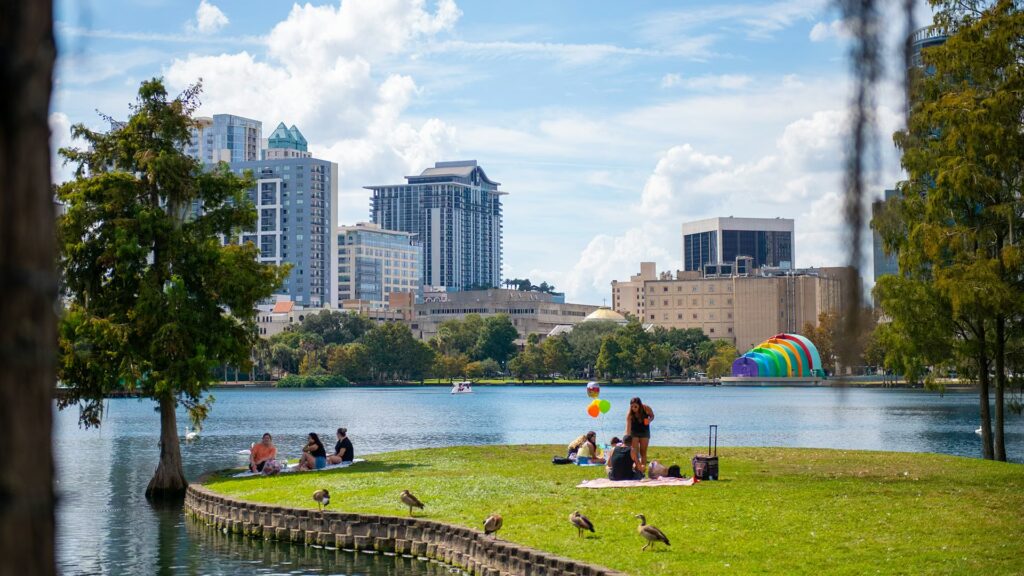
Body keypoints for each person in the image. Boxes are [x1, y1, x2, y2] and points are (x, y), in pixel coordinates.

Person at [625, 397, 655, 472]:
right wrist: (626, 439)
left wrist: (649, 420)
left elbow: (652, 416)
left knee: (643, 452)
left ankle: (642, 470)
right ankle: (637, 468)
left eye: (635, 406)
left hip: (644, 431)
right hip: (634, 432)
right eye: (632, 406)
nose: (633, 408)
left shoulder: (646, 408)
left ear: (640, 405)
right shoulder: (630, 413)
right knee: (635, 452)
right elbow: (628, 426)